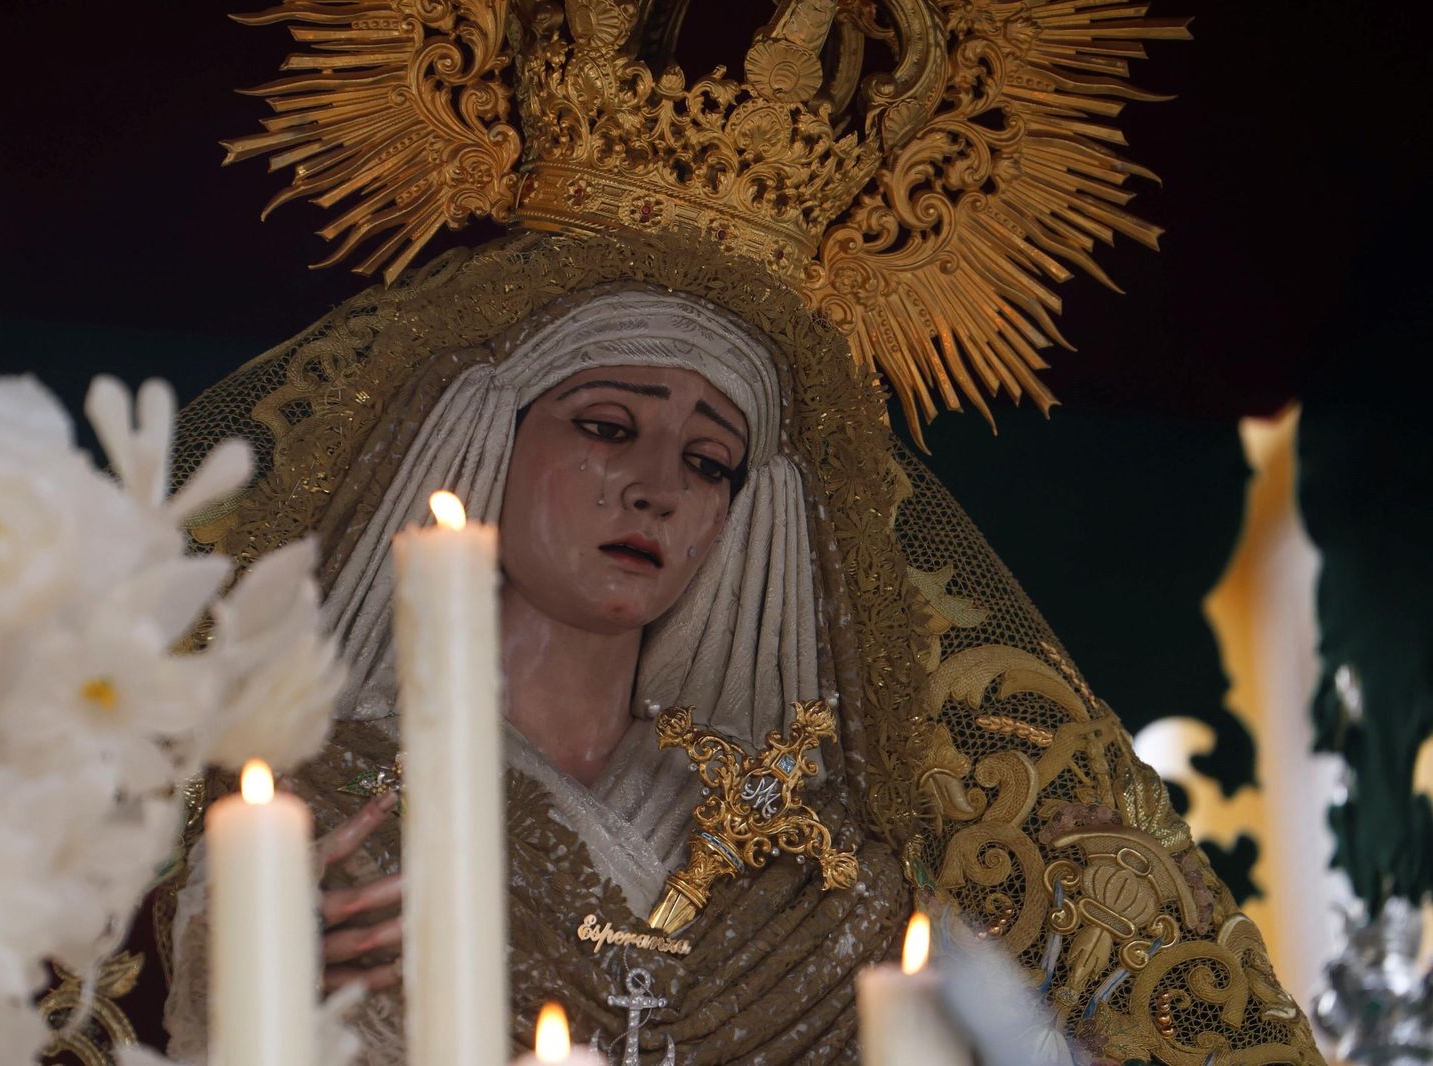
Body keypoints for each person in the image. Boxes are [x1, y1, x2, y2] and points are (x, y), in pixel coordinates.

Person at [152, 230, 1322, 1064]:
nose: (657, 487)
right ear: (481, 444)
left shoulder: (815, 862)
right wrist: (257, 964)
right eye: (608, 426)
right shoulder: (318, 813)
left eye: (708, 461)